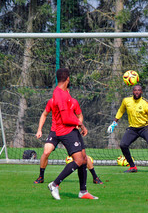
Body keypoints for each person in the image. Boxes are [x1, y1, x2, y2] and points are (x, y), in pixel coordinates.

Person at [47, 68, 98, 200]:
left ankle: (83, 191)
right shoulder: (59, 94)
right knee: (79, 160)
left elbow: (70, 114)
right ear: (68, 79)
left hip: (72, 130)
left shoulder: (65, 92)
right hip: (65, 131)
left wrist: (81, 125)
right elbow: (65, 119)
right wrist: (80, 124)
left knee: (84, 158)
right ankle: (54, 184)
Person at [33, 97, 103, 185]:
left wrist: (78, 125)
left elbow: (80, 116)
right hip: (55, 131)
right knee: (46, 152)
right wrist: (39, 129)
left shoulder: (74, 102)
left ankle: (95, 177)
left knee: (83, 156)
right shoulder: (52, 101)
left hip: (69, 132)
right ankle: (41, 176)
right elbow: (44, 114)